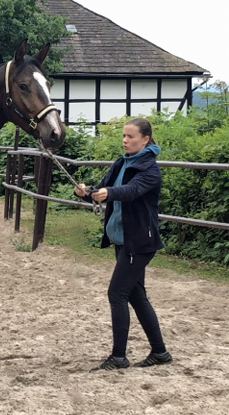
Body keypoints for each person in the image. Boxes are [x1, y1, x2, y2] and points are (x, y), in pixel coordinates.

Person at [75, 118, 172, 372]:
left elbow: (130, 191)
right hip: (123, 240)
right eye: (124, 136)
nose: (125, 140)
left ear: (145, 140)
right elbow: (106, 190)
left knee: (117, 294)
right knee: (136, 296)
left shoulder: (149, 169)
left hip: (139, 242)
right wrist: (88, 192)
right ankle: (160, 352)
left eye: (130, 137)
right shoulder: (122, 163)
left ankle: (119, 357)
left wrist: (109, 193)